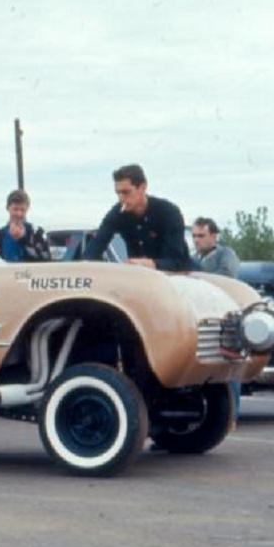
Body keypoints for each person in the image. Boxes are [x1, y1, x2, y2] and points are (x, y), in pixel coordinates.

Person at [84, 164, 193, 270]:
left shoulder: (169, 212)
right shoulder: (117, 213)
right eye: (118, 193)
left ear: (143, 187)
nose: (121, 198)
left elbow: (177, 260)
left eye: (126, 192)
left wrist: (151, 264)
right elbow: (96, 245)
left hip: (180, 276)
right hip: (141, 277)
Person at [192, 216, 243, 420]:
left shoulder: (226, 255)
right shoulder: (193, 257)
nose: (197, 240)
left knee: (230, 369)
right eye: (194, 236)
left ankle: (231, 416)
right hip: (203, 318)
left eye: (201, 236)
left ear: (214, 235)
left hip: (227, 319)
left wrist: (195, 277)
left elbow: (225, 278)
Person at [0, 189, 51, 262]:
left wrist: (24, 240)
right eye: (15, 209)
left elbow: (46, 258)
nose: (19, 214)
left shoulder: (37, 232)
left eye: (22, 210)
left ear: (27, 209)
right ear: (7, 208)